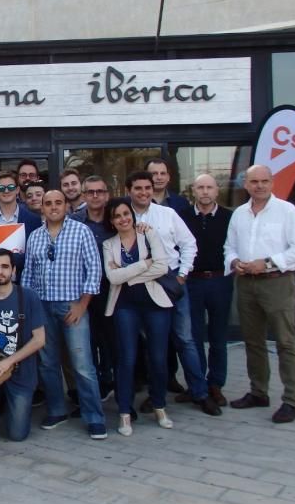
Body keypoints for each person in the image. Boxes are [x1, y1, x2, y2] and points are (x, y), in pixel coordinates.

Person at [127, 170, 221, 417]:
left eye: (147, 188)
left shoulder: (167, 214)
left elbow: (189, 244)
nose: (144, 192)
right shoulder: (123, 216)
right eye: (138, 188)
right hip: (142, 284)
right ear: (129, 191)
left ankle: (199, 392)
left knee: (185, 339)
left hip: (171, 281)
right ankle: (155, 395)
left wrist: (182, 275)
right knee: (152, 344)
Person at [225, 165, 295, 423]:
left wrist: (269, 262)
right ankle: (258, 392)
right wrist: (234, 262)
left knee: (286, 342)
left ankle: (291, 401)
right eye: (254, 182)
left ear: (272, 183)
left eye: (264, 181)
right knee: (253, 341)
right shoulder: (239, 214)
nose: (259, 186)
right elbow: (229, 246)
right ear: (246, 184)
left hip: (277, 282)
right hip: (247, 284)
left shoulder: (287, 211)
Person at [22, 190, 107, 440]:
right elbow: (28, 274)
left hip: (72, 306)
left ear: (67, 206)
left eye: (58, 202)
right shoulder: (35, 236)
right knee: (47, 363)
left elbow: (94, 270)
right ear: (42, 208)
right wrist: (29, 308)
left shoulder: (81, 232)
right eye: (48, 203)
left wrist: (83, 304)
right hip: (42, 307)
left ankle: (94, 416)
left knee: (82, 364)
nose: (53, 207)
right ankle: (57, 410)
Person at [102, 198, 174, 437]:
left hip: (155, 304)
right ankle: (124, 411)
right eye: (117, 216)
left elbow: (162, 266)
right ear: (111, 221)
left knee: (158, 358)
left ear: (132, 215)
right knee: (127, 359)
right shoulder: (108, 245)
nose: (123, 218)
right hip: (124, 306)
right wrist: (144, 264)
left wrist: (127, 274)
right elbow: (112, 279)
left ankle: (159, 406)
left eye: (126, 213)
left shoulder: (148, 234)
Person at [0, 249, 46, 442]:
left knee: (17, 435)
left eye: (5, 266)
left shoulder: (29, 297)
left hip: (22, 370)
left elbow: (39, 339)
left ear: (13, 270)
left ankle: (11, 404)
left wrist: (10, 361)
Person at [181, 174, 234, 406]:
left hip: (220, 281)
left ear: (216, 191)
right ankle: (197, 384)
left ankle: (216, 384)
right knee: (193, 336)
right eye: (200, 187)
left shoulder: (229, 217)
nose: (205, 192)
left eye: (209, 187)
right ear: (193, 191)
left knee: (218, 337)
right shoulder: (182, 217)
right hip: (192, 282)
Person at [71, 175, 116, 400]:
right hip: (82, 292)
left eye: (100, 191)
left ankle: (108, 380)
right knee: (87, 341)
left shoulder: (116, 219)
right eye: (90, 192)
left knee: (109, 339)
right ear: (84, 195)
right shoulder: (74, 221)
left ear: (107, 195)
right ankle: (91, 388)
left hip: (113, 290)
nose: (95, 196)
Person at [0, 171, 42, 285]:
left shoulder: (33, 220)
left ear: (17, 190)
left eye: (10, 187)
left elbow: (37, 254)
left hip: (23, 283)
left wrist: (11, 258)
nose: (6, 191)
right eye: (2, 188)